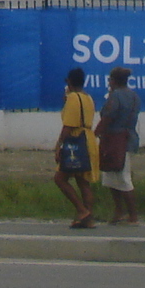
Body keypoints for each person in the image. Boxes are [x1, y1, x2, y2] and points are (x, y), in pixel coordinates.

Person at [53, 66, 99, 227]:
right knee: (82, 180)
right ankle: (88, 217)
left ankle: (81, 210)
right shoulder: (88, 98)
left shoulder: (73, 98)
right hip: (89, 139)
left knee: (60, 178)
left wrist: (59, 145)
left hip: (76, 141)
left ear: (70, 82)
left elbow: (68, 125)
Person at [97, 66, 141, 224]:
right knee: (112, 175)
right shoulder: (134, 96)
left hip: (115, 140)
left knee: (122, 176)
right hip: (128, 138)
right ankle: (119, 212)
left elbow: (108, 116)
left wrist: (96, 132)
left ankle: (132, 214)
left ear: (113, 80)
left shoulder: (115, 97)